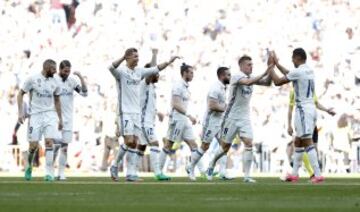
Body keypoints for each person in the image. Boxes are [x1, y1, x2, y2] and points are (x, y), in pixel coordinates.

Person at [108, 48, 180, 182]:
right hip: (125, 112)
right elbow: (111, 67)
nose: (137, 58)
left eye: (138, 56)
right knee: (130, 142)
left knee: (134, 144)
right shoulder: (122, 72)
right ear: (128, 57)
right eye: (135, 56)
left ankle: (127, 172)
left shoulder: (139, 72)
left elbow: (156, 68)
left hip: (136, 113)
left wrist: (169, 61)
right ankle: (118, 166)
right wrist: (124, 57)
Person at [269, 48, 332, 183]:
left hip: (303, 110)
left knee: (307, 141)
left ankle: (318, 174)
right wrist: (278, 64)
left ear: (297, 58)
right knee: (297, 141)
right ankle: (294, 174)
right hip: (309, 109)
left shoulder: (298, 72)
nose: (292, 60)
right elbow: (290, 73)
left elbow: (277, 82)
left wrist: (270, 68)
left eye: (293, 58)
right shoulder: (308, 70)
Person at [207, 55, 273, 183]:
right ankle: (211, 163)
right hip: (231, 116)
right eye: (249, 64)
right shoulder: (236, 76)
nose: (251, 66)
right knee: (225, 147)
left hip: (245, 117)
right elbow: (248, 82)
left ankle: (247, 176)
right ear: (241, 66)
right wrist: (266, 71)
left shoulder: (251, 78)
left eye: (252, 64)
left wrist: (271, 69)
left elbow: (267, 82)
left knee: (249, 143)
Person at [17, 59, 63, 181]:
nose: (55, 71)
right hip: (35, 116)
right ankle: (29, 166)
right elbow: (20, 94)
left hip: (50, 115)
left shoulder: (56, 82)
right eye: (53, 69)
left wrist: (60, 118)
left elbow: (57, 100)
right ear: (47, 68)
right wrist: (20, 112)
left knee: (49, 142)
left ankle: (48, 173)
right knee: (33, 146)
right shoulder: (32, 79)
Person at [186, 67, 231, 180]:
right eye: (228, 75)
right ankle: (190, 167)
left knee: (224, 146)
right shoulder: (215, 88)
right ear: (222, 76)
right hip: (211, 122)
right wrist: (225, 108)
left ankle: (222, 172)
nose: (230, 77)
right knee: (205, 146)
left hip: (220, 122)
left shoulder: (223, 88)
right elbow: (212, 105)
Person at [159, 63, 202, 181]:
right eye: (191, 72)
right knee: (169, 145)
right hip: (177, 120)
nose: (193, 75)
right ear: (185, 73)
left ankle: (196, 169)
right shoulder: (178, 85)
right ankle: (158, 171)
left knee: (194, 145)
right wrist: (190, 115)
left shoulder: (185, 86)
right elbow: (175, 104)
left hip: (184, 120)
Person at [287, 87, 335, 179]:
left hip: (307, 121)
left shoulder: (307, 88)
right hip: (307, 122)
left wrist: (326, 110)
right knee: (299, 143)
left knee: (306, 145)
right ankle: (299, 174)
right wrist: (289, 124)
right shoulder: (295, 90)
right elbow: (291, 108)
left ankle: (315, 174)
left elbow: (316, 103)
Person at [53, 60, 88, 180]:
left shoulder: (72, 81)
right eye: (65, 71)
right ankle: (50, 171)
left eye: (69, 71)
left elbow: (84, 93)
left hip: (68, 118)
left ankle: (61, 173)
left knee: (64, 147)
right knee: (55, 145)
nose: (67, 73)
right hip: (55, 118)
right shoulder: (54, 80)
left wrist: (80, 77)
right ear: (60, 69)